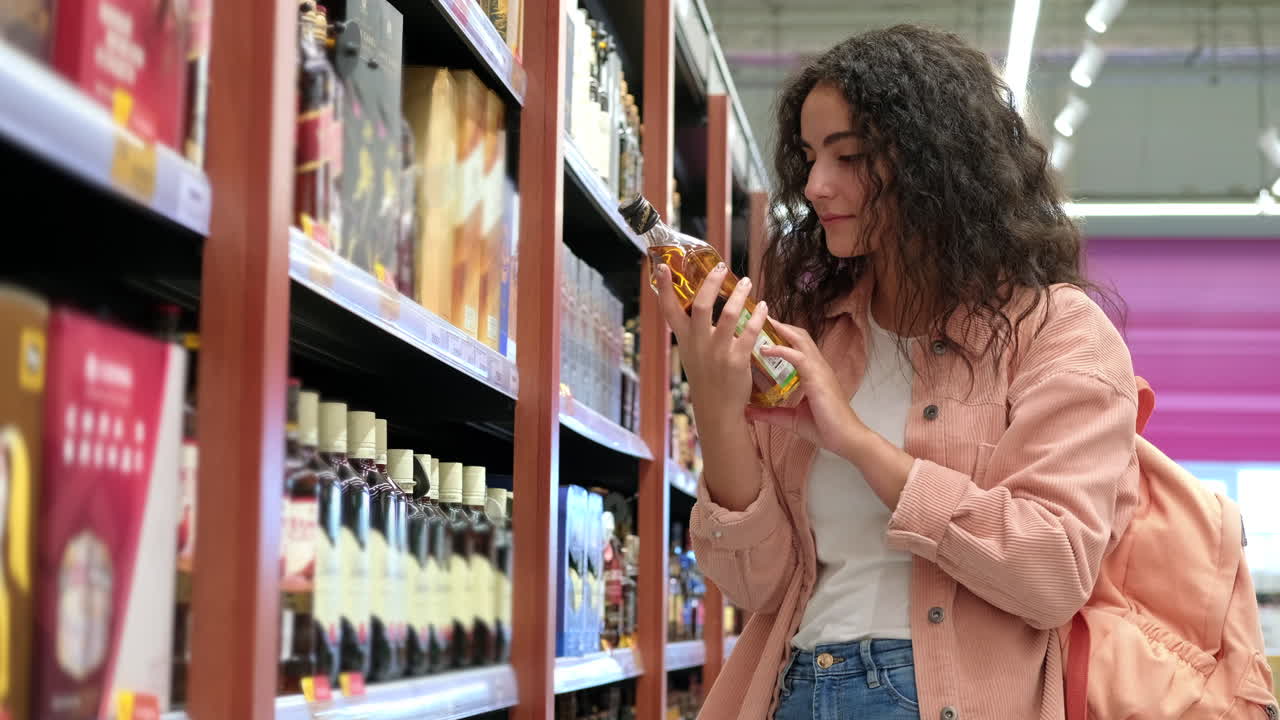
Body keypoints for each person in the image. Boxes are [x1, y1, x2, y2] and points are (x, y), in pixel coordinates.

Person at [656, 25, 1141, 720]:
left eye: (849, 156)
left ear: (936, 162)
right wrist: (715, 410)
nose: (815, 186)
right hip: (798, 688)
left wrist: (858, 442)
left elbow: (1053, 572)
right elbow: (756, 587)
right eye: (808, 157)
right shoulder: (816, 334)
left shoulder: (1058, 331)